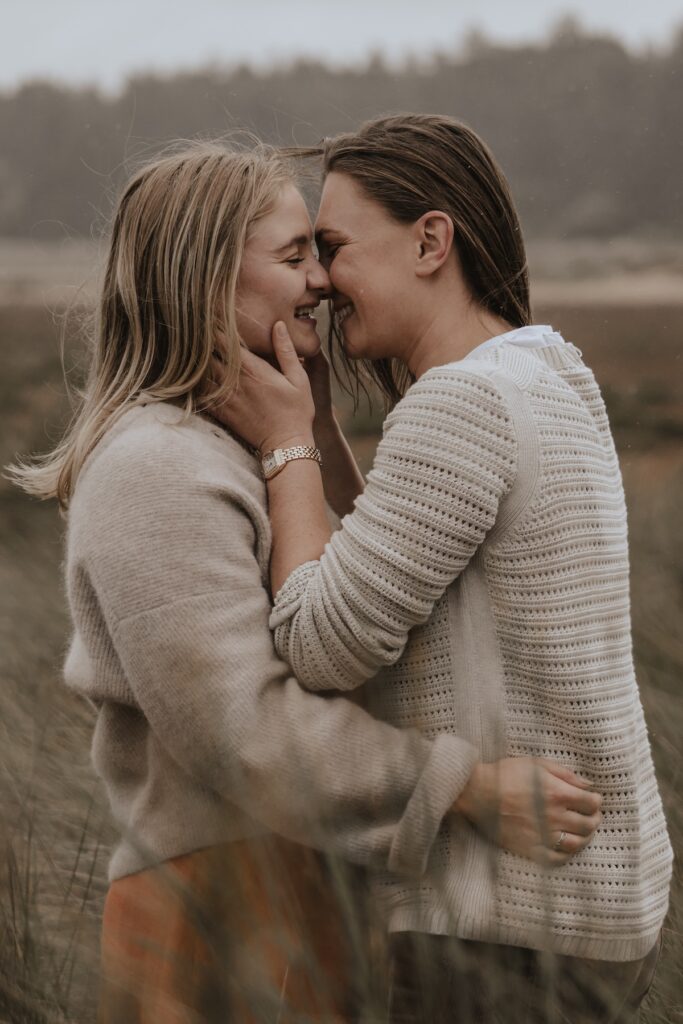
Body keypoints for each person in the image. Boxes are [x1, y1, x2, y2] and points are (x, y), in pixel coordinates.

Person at [8, 140, 600, 1022]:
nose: (320, 280)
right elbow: (244, 730)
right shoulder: (152, 468)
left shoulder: (244, 441)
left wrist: (311, 427)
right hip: (218, 913)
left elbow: (354, 609)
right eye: (293, 257)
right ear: (205, 278)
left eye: (319, 253)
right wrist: (461, 789)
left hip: (302, 893)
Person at [211, 115, 673, 1023]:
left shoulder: (463, 402)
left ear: (430, 241)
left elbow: (317, 641)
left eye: (335, 247)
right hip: (598, 909)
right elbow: (384, 562)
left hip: (501, 923)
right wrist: (320, 433)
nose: (321, 283)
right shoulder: (548, 369)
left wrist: (279, 447)